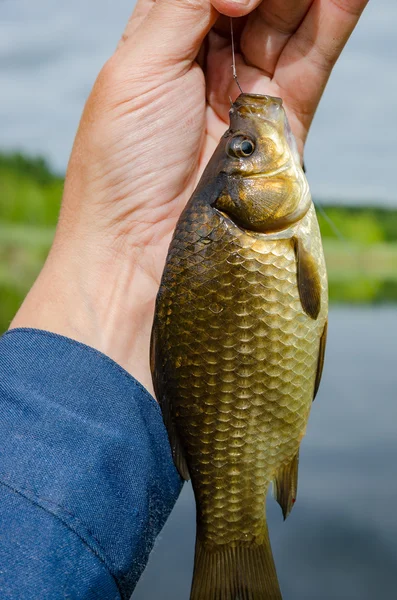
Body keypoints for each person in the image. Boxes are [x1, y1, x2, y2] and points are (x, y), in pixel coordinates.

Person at [0, 0, 367, 597]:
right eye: (243, 153)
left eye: (239, 150)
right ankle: (231, 542)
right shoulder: (256, 228)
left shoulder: (257, 225)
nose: (243, 141)